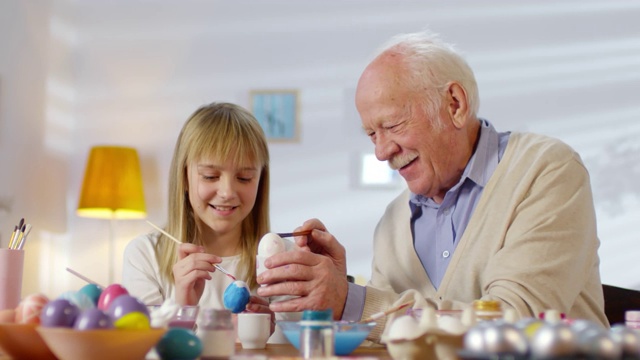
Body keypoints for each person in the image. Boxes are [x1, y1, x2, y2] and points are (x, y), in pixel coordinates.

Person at [255, 30, 609, 342]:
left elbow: (515, 327)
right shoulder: (393, 223)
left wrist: (352, 300)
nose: (381, 152)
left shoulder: (545, 170)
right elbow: (386, 335)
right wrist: (336, 292)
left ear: (454, 104)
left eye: (392, 125)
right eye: (371, 135)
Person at [122, 102, 298, 338]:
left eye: (244, 178)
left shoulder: (285, 260)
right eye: (210, 176)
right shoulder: (145, 255)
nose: (227, 192)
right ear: (184, 177)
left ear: (260, 181)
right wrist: (183, 308)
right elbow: (143, 350)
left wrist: (267, 337)